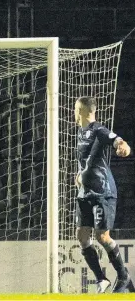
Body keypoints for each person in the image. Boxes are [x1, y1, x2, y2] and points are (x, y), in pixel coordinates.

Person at [74, 96, 133, 293]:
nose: (74, 113)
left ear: (81, 111)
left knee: (102, 236)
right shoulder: (80, 133)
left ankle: (124, 277)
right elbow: (88, 160)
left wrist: (123, 145)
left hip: (102, 192)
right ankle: (102, 279)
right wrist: (80, 175)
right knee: (82, 236)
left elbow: (114, 138)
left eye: (75, 109)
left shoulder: (97, 129)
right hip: (85, 193)